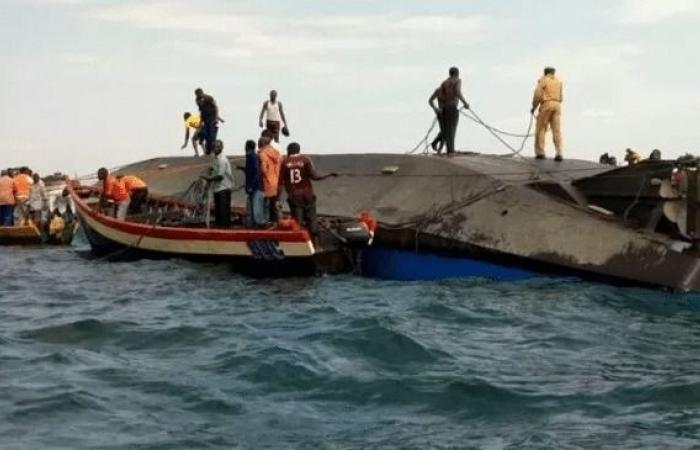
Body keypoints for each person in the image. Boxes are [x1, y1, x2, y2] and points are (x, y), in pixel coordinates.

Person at [278, 142, 337, 241]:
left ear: (289, 150)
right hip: (308, 195)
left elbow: (280, 182)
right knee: (312, 218)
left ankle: (301, 242)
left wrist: (277, 198)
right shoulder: (305, 160)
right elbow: (315, 177)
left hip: (294, 196)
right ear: (298, 150)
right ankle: (316, 242)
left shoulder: (284, 163)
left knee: (298, 221)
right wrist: (329, 174)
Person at [428, 66, 470, 156]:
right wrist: (465, 103)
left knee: (445, 131)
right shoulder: (457, 80)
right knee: (451, 130)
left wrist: (436, 109)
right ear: (456, 73)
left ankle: (436, 144)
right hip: (451, 109)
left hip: (441, 111)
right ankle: (450, 151)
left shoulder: (442, 85)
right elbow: (458, 92)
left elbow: (430, 100)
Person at [531, 67, 564, 161]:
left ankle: (540, 152)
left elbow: (537, 94)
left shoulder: (543, 80)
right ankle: (559, 152)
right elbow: (561, 97)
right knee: (556, 130)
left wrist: (534, 107)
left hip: (547, 104)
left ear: (545, 72)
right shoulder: (559, 82)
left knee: (541, 128)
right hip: (557, 105)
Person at [200, 140, 234, 228]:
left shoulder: (222, 160)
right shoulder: (215, 159)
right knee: (218, 211)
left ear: (221, 148)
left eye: (218, 147)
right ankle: (219, 228)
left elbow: (220, 176)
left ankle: (225, 230)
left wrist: (208, 179)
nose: (216, 148)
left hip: (224, 188)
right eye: (214, 147)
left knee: (224, 212)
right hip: (217, 188)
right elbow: (213, 169)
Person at [237, 139, 266, 228]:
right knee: (253, 205)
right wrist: (243, 168)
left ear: (247, 147)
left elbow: (256, 172)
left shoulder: (252, 157)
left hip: (255, 186)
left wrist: (251, 186)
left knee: (256, 206)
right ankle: (255, 223)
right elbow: (252, 171)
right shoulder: (253, 157)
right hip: (256, 185)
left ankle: (259, 223)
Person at [258, 135, 282, 223]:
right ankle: (277, 221)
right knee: (275, 203)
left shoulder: (262, 154)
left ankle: (267, 221)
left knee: (266, 204)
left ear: (262, 143)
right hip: (276, 181)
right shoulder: (277, 153)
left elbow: (263, 169)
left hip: (267, 182)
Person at [195, 88, 225, 155]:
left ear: (202, 93)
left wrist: (217, 117)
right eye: (197, 95)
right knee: (206, 135)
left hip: (212, 118)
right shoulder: (197, 100)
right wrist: (200, 121)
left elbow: (215, 107)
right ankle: (208, 151)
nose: (199, 96)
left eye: (200, 94)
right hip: (205, 119)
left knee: (211, 136)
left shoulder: (209, 98)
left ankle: (212, 151)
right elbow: (201, 111)